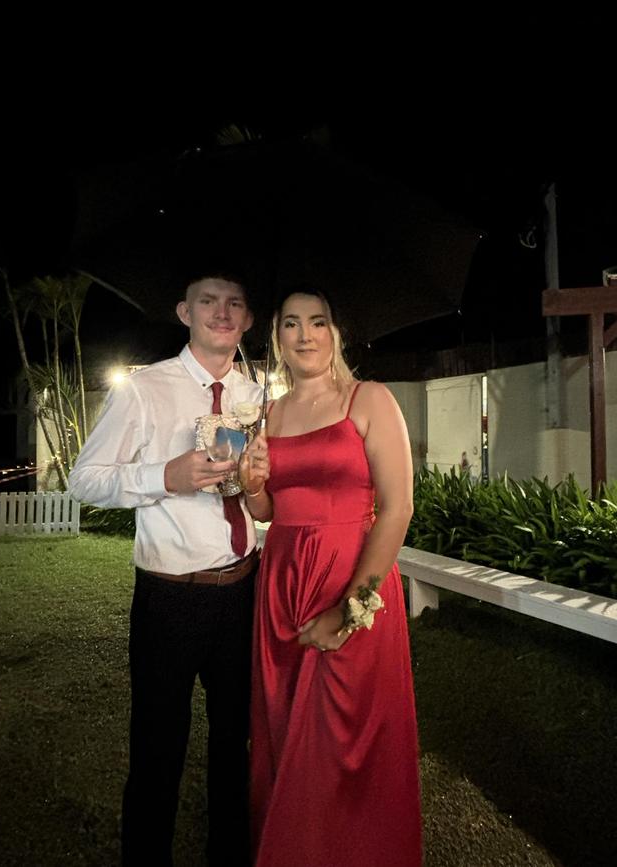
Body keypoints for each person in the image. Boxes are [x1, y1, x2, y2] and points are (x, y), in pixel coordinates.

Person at [68, 273, 263, 867]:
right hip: (170, 598)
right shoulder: (146, 389)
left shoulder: (257, 394)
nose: (222, 313)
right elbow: (85, 480)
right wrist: (162, 478)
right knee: (158, 750)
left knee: (237, 746)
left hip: (244, 591)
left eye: (235, 304)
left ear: (248, 320)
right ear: (184, 311)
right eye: (208, 301)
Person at [242, 289, 422, 867]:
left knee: (347, 733)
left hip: (352, 578)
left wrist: (352, 607)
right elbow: (267, 511)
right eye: (291, 324)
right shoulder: (268, 414)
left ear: (336, 333)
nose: (305, 335)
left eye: (317, 322)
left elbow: (397, 509)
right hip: (282, 585)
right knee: (285, 721)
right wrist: (249, 484)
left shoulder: (369, 400)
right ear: (278, 338)